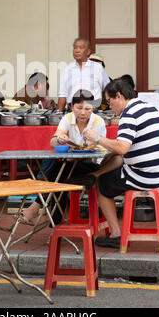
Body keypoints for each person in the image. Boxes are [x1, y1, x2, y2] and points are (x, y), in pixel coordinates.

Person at [83, 77, 159, 249]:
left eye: (110, 102)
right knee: (112, 163)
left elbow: (122, 148)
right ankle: (96, 173)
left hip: (147, 176)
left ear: (119, 96)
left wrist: (97, 138)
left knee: (102, 183)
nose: (110, 107)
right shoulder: (148, 107)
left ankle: (117, 233)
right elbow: (122, 152)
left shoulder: (129, 113)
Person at [18, 90, 106, 226]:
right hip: (73, 164)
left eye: (87, 109)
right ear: (72, 107)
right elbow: (52, 141)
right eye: (79, 108)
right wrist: (59, 139)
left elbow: (91, 145)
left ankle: (39, 212)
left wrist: (77, 146)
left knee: (58, 173)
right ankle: (53, 224)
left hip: (95, 165)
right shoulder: (68, 118)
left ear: (92, 108)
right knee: (60, 177)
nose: (83, 112)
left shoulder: (98, 121)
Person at [58, 38, 110, 112]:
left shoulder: (97, 68)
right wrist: (59, 114)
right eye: (75, 48)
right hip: (72, 110)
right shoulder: (67, 69)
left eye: (81, 48)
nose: (77, 50)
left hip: (93, 109)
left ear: (88, 51)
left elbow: (108, 89)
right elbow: (62, 94)